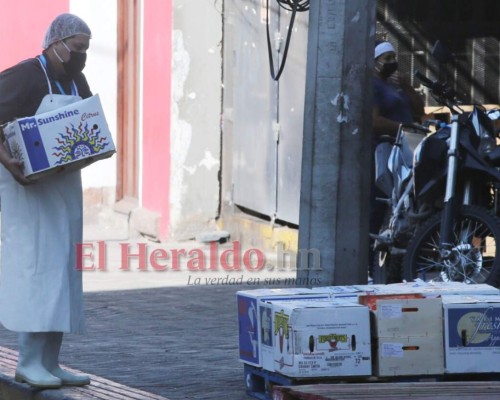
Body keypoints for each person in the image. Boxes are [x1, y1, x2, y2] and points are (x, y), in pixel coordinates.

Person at [0, 14, 93, 388]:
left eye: (86, 50)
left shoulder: (75, 80)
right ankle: (28, 362)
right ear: (56, 44)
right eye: (77, 49)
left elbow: (89, 120)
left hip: (64, 189)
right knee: (36, 271)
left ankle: (51, 363)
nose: (81, 57)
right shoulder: (24, 75)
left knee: (62, 273)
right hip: (28, 189)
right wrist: (6, 159)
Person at [369, 40, 425, 281]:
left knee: (404, 206)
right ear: (375, 61)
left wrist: (409, 88)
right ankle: (371, 267)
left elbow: (419, 112)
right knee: (381, 204)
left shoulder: (396, 87)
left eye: (394, 57)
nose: (392, 62)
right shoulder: (374, 85)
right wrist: (402, 127)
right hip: (386, 149)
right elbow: (374, 120)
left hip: (407, 149)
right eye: (387, 58)